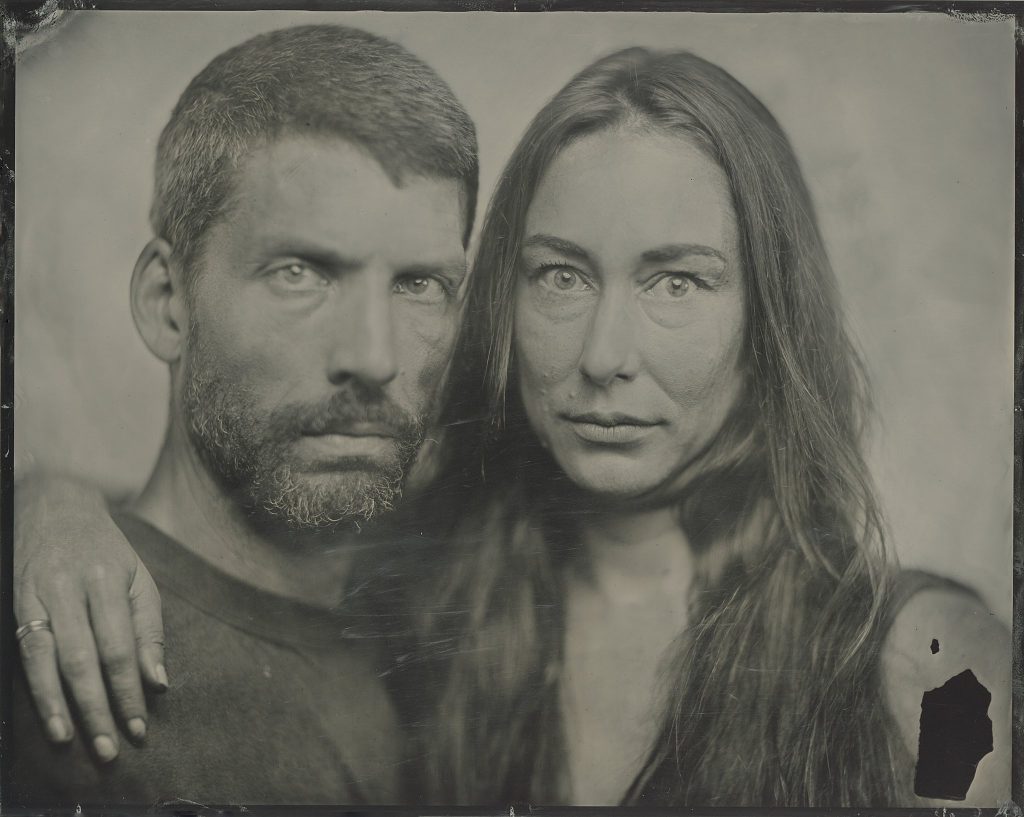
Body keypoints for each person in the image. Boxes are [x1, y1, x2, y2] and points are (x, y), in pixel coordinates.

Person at [14, 48, 1010, 807]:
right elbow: (219, 534)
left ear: (770, 317)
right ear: (502, 297)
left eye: (676, 281)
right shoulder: (423, 592)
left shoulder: (933, 667)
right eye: (560, 275)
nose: (604, 354)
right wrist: (46, 509)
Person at [8, 23, 478, 806]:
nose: (373, 356)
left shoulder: (450, 622)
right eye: (300, 272)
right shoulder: (60, 661)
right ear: (167, 302)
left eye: (419, 283)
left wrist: (44, 495)